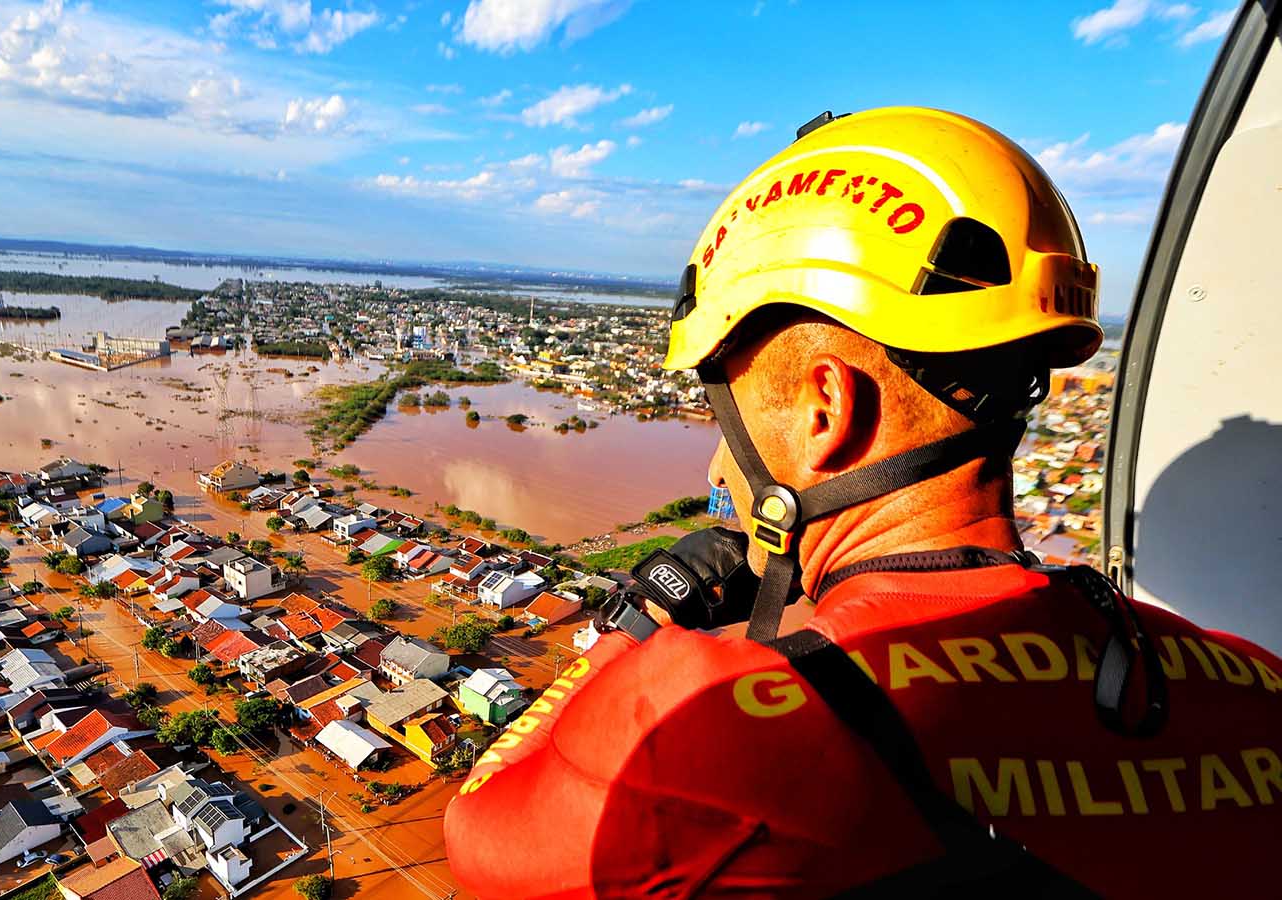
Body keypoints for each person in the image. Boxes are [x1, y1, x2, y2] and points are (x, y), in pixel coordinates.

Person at [442, 107, 1281, 898]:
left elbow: (478, 829)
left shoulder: (710, 733)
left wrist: (645, 621)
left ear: (824, 412)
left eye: (724, 422)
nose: (717, 466)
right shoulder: (1247, 682)